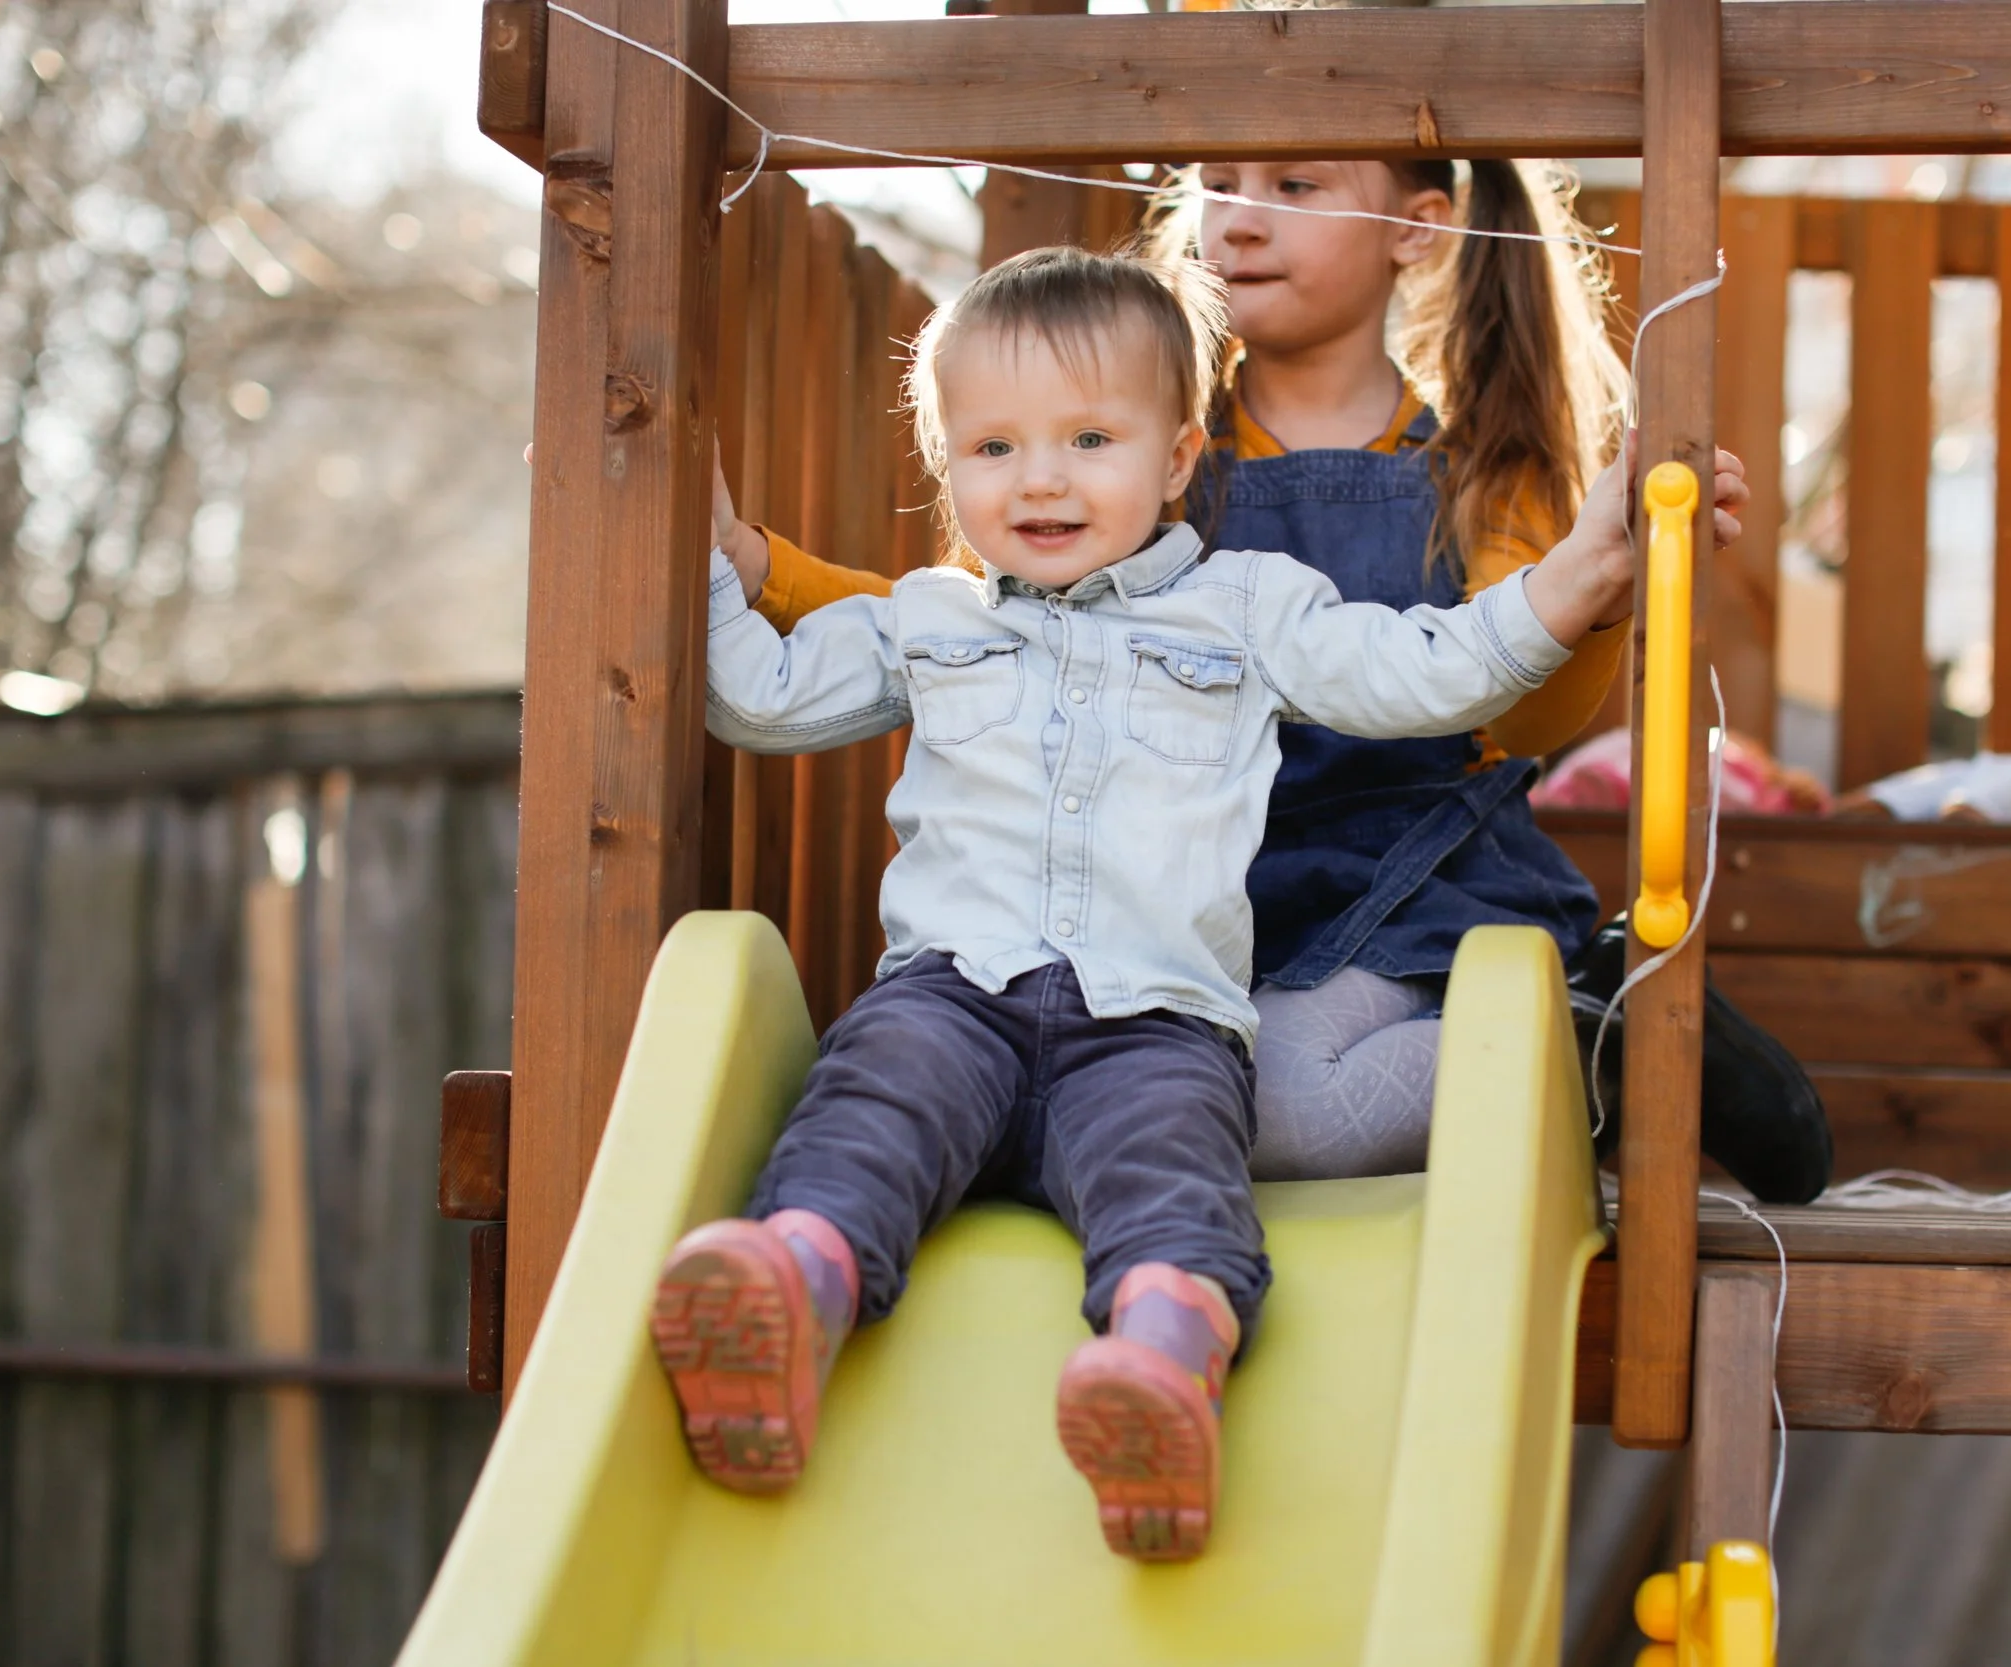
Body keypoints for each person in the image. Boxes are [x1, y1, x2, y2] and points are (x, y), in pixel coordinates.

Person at [663, 246, 1653, 1562]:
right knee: (865, 1113)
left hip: (1155, 1022)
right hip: (952, 997)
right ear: (949, 468)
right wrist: (697, 544)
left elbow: (1423, 673)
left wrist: (1577, 579)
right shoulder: (925, 621)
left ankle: (1162, 1366)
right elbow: (763, 697)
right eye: (994, 447)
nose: (1042, 479)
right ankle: (793, 1290)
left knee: (1175, 1180)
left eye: (1090, 439)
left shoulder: (1247, 609)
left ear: (1179, 457)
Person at [717, 159, 1829, 1202]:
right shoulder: (1128, 446)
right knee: (1158, 1102)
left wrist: (1594, 588)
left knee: (1279, 1116)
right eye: (1221, 185)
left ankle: (1601, 1041)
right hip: (1204, 891)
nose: (1241, 219)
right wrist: (761, 572)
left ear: (1417, 228)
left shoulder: (1484, 465)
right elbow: (978, 627)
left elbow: (1513, 707)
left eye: (1293, 186)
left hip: (1409, 869)